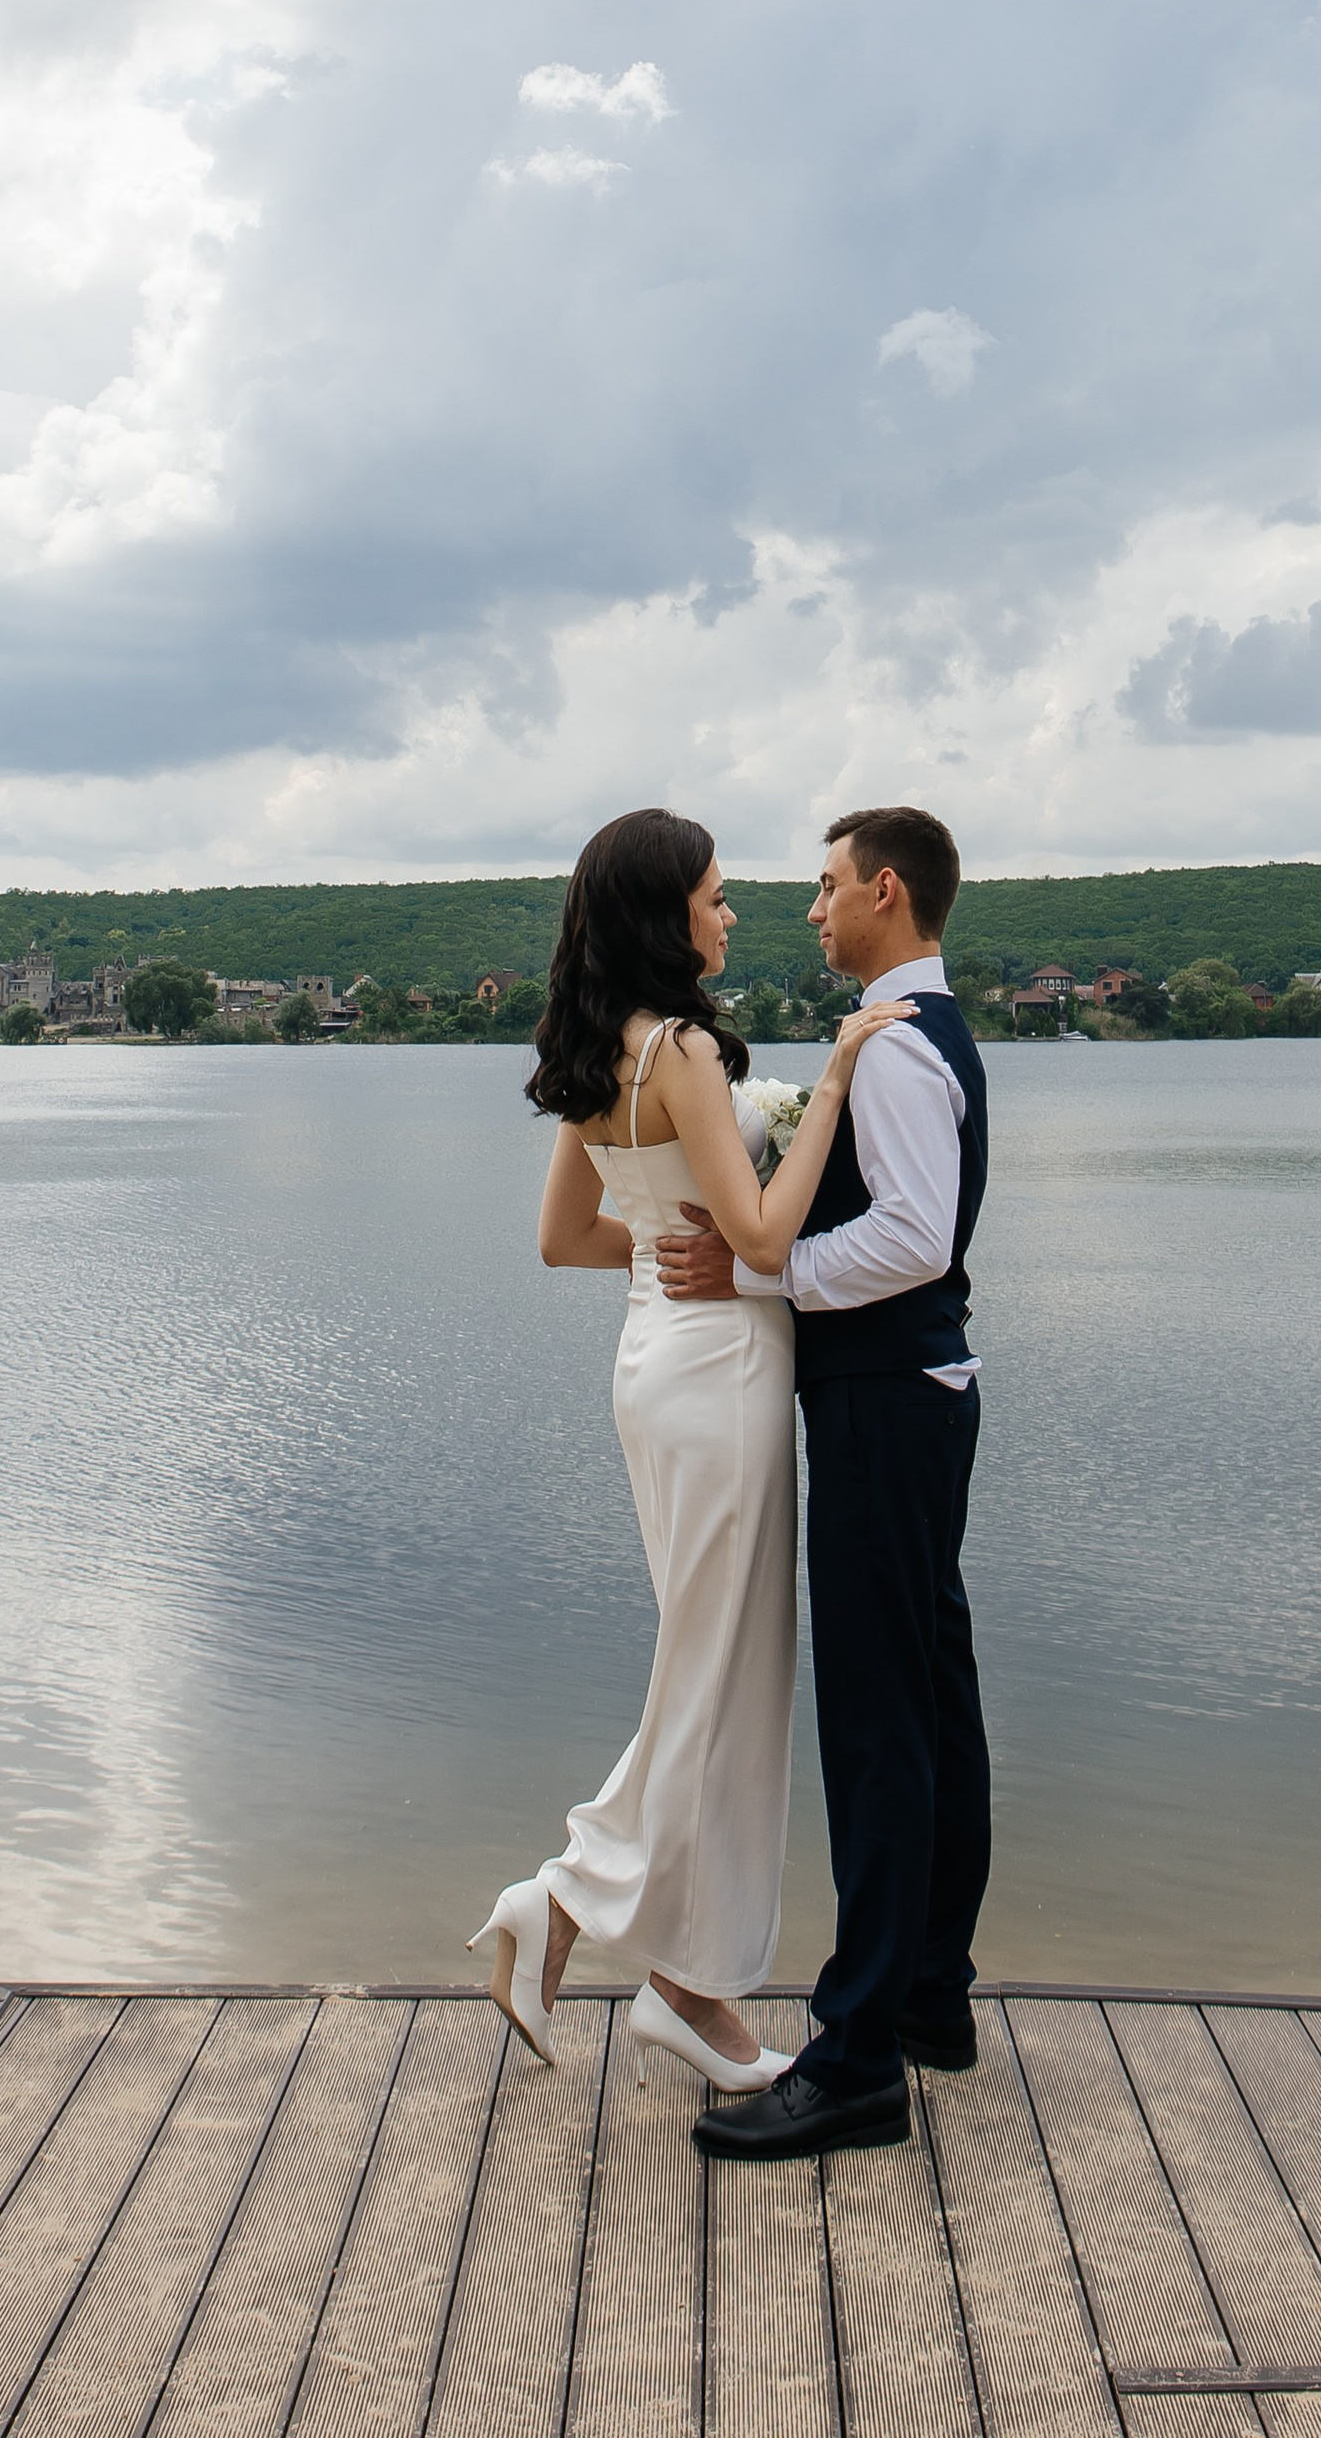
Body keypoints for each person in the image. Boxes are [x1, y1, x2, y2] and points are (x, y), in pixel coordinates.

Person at [469, 806, 915, 2094]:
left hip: (654, 1361)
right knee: (716, 1673)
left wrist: (671, 1249)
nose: (733, 914)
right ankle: (560, 1906)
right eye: (717, 897)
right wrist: (830, 1084)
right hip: (720, 1377)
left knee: (716, 1674)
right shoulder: (685, 1053)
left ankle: (693, 1984)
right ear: (670, 916)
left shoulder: (597, 1051)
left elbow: (566, 1238)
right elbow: (769, 1237)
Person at [659, 803, 991, 2164]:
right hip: (915, 1398)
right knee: (929, 1703)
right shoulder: (916, 1032)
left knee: (875, 1728)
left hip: (881, 1403)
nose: (811, 909)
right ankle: (927, 2001)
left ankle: (856, 2061)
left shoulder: (901, 1048)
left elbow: (910, 1238)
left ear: (887, 892)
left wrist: (763, 1272)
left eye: (829, 886)